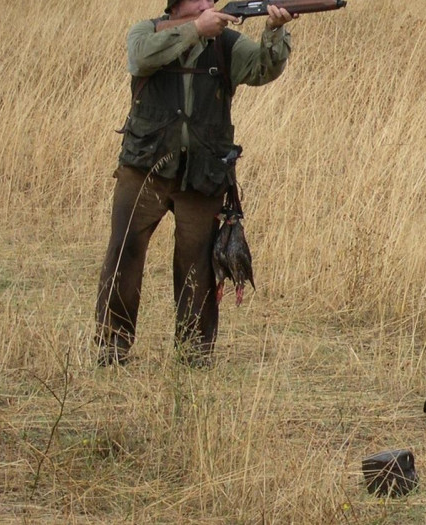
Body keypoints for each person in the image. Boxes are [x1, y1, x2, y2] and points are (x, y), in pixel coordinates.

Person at [96, 0, 297, 368]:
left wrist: (274, 31)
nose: (207, 4)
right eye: (197, 0)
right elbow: (141, 59)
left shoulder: (226, 44)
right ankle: (112, 348)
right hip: (145, 166)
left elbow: (262, 69)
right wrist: (194, 31)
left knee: (198, 268)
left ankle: (193, 356)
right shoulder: (146, 31)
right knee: (124, 255)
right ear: (176, 4)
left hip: (203, 173)